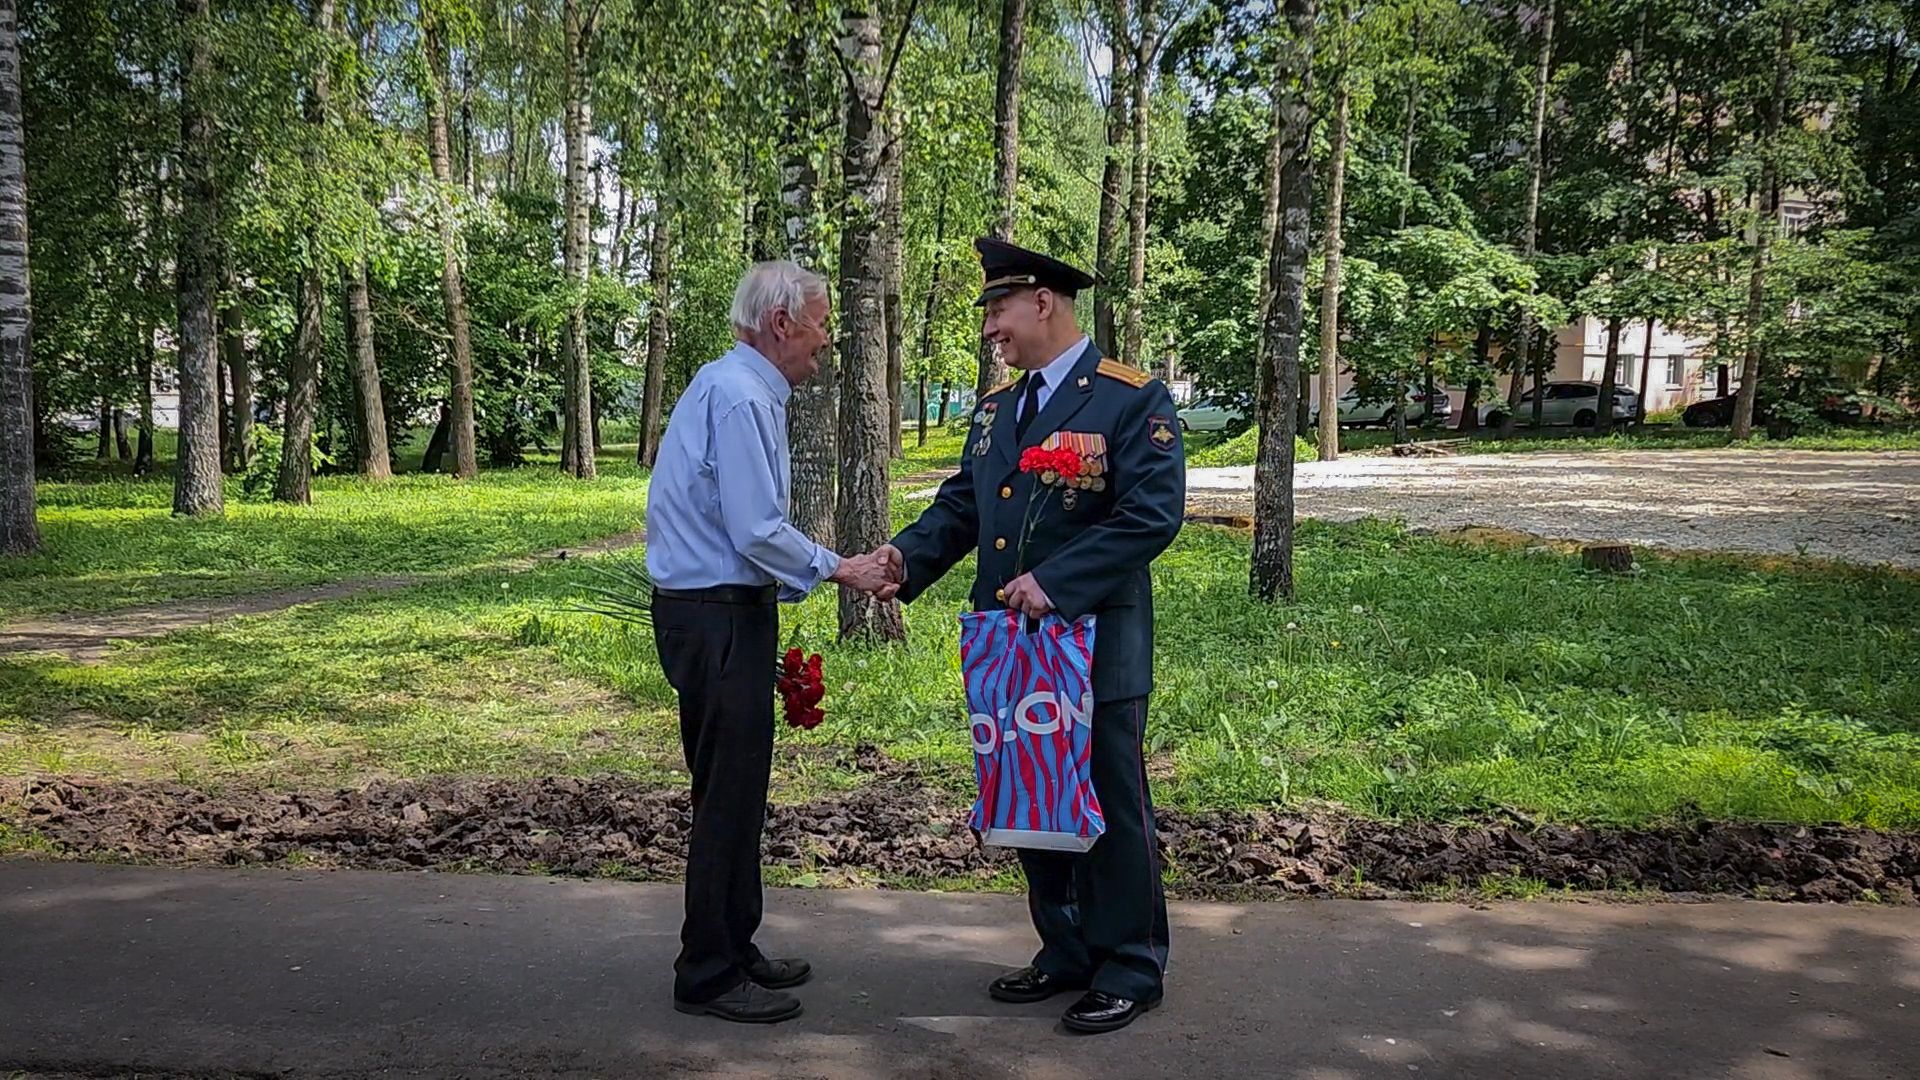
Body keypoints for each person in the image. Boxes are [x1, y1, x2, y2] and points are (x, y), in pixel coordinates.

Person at [876, 238, 1186, 1034]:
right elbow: (962, 508)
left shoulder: (1129, 398)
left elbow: (1149, 516)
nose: (990, 330)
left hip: (1094, 645)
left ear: (1042, 300)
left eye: (997, 310)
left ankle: (1130, 965)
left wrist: (1059, 582)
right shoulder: (998, 410)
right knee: (1034, 797)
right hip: (1014, 652)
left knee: (1109, 803)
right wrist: (900, 561)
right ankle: (1068, 948)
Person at [646, 260, 899, 1025]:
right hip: (717, 614)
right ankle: (709, 971)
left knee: (738, 788)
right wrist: (839, 568)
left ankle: (733, 942)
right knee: (727, 793)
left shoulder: (744, 388)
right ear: (781, 323)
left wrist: (790, 587)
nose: (827, 339)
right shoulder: (740, 395)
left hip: (722, 610)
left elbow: (742, 527)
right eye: (820, 321)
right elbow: (754, 529)